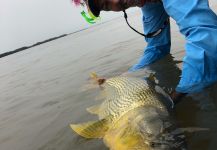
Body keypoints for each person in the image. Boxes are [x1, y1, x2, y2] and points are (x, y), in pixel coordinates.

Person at [74, 0, 217, 104]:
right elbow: (156, 48)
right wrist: (125, 77)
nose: (116, 1)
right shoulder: (149, 4)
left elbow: (206, 39)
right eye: (106, 5)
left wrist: (174, 97)